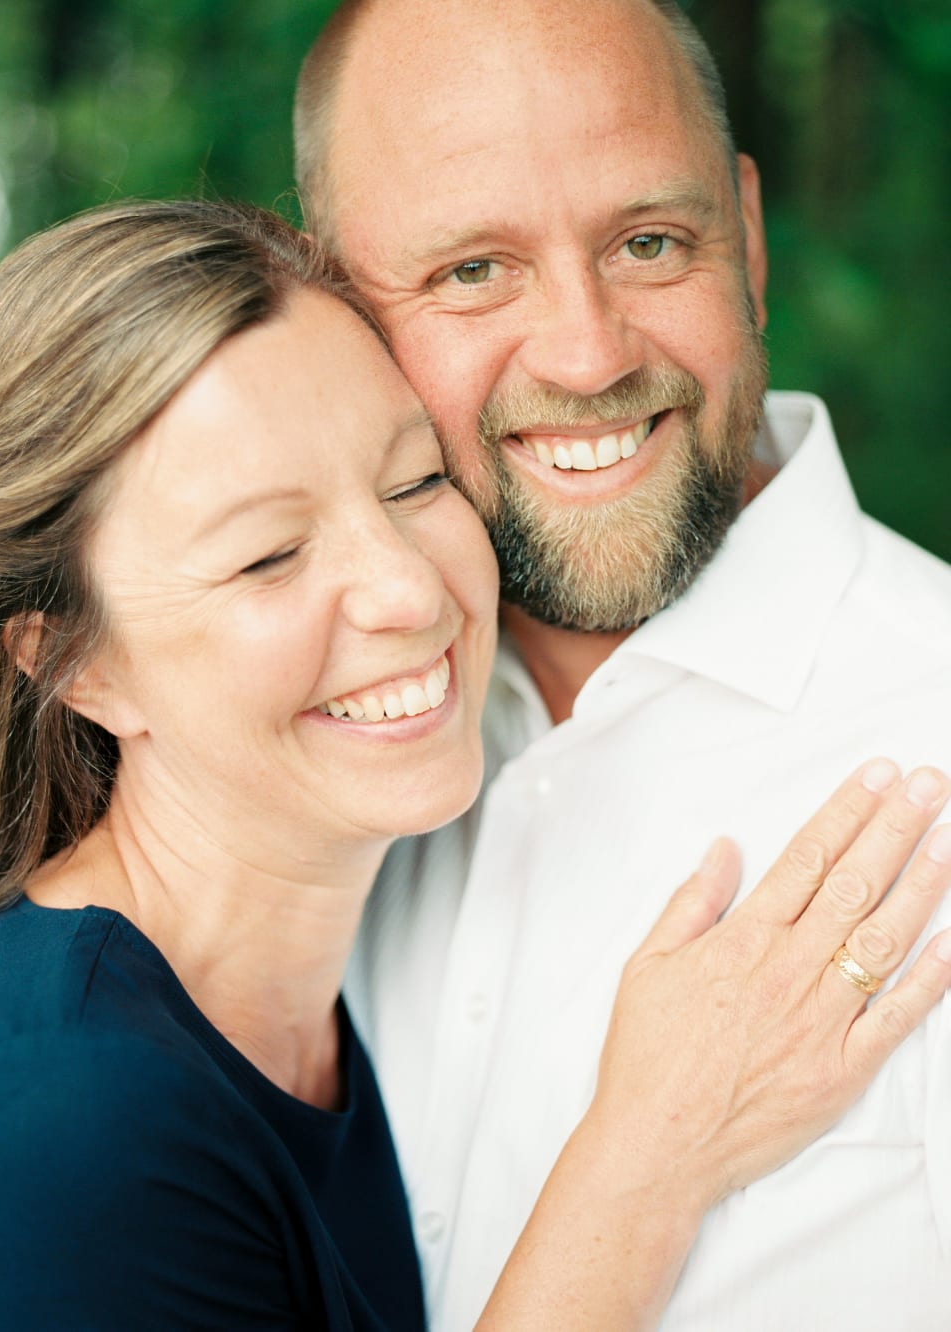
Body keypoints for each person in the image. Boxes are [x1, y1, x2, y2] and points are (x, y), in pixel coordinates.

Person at [0, 202, 949, 1331]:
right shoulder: (63, 1120)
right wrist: (647, 1160)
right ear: (74, 665)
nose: (410, 591)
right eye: (270, 555)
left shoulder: (324, 1003)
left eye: (414, 484)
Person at [291, 0, 951, 1327]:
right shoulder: (293, 766)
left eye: (651, 242)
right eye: (474, 270)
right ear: (329, 311)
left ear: (749, 240)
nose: (588, 354)